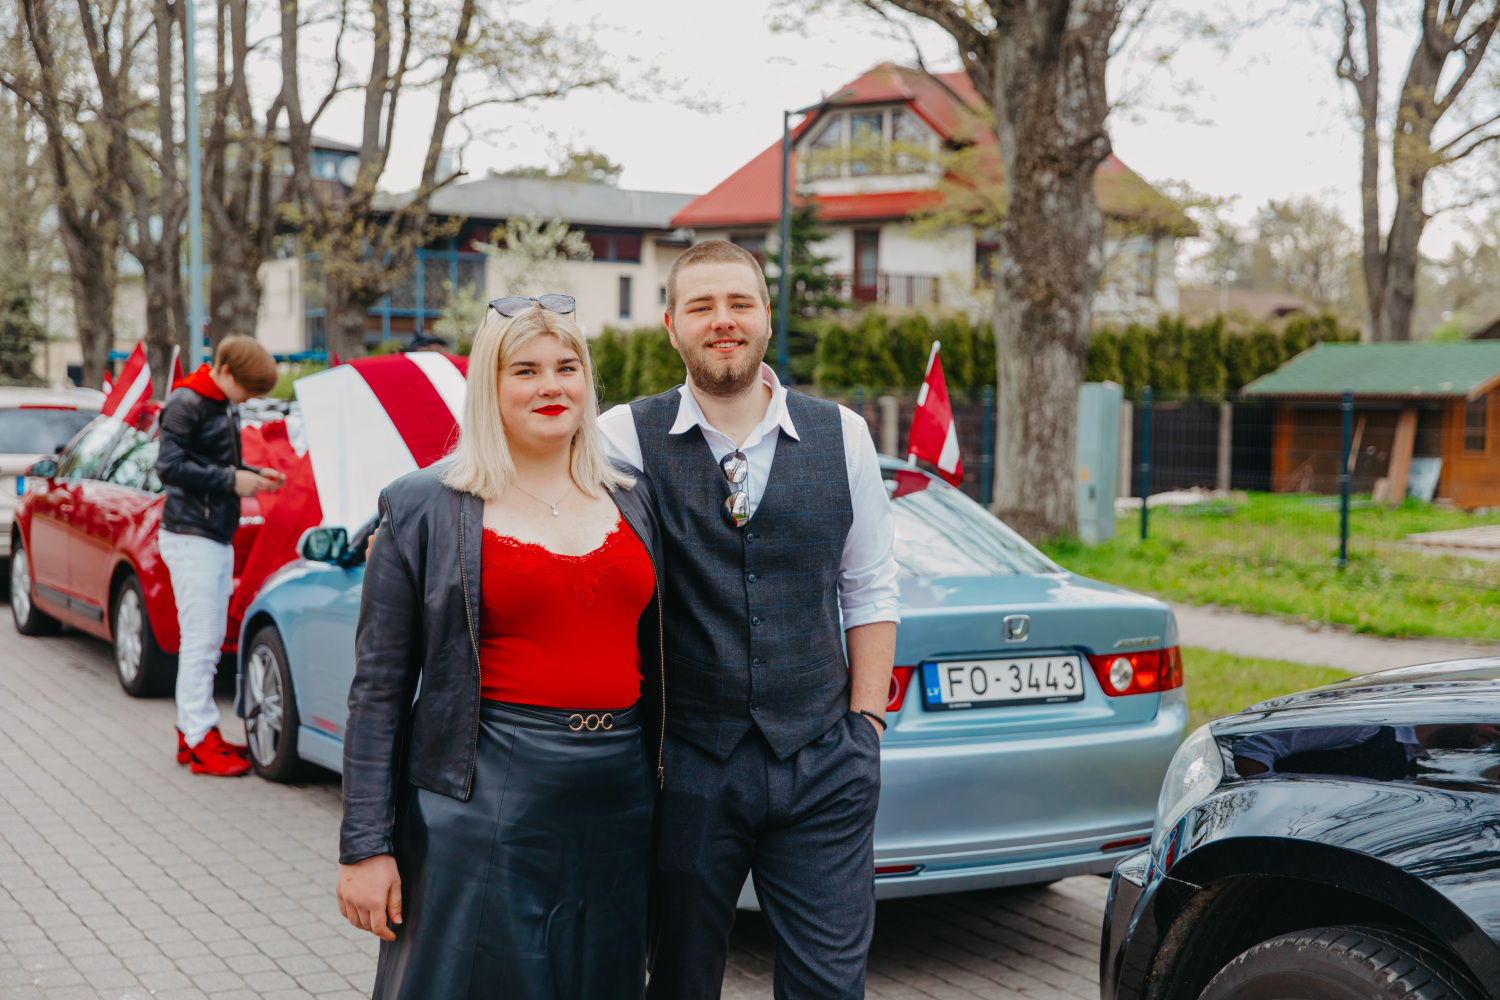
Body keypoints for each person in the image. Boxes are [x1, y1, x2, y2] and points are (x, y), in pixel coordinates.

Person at [336, 295, 665, 999]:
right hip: (485, 795)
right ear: (490, 385)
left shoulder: (635, 496)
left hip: (621, 795)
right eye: (526, 370)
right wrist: (366, 846)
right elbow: (379, 690)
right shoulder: (422, 505)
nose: (552, 386)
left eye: (567, 367)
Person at [598, 240, 900, 998]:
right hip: (687, 760)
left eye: (739, 303)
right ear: (671, 326)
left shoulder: (843, 433)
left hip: (824, 759)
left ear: (767, 316)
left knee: (829, 986)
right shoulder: (622, 436)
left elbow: (869, 587)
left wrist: (866, 728)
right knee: (680, 980)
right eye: (701, 306)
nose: (722, 320)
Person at [156, 336, 285, 777]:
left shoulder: (217, 402)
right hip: (193, 536)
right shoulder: (187, 402)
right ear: (226, 371)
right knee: (202, 641)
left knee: (206, 642)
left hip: (210, 534)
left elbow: (207, 462)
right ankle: (197, 739)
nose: (248, 398)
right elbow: (169, 467)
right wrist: (233, 480)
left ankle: (196, 731)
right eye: (247, 389)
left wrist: (251, 475)